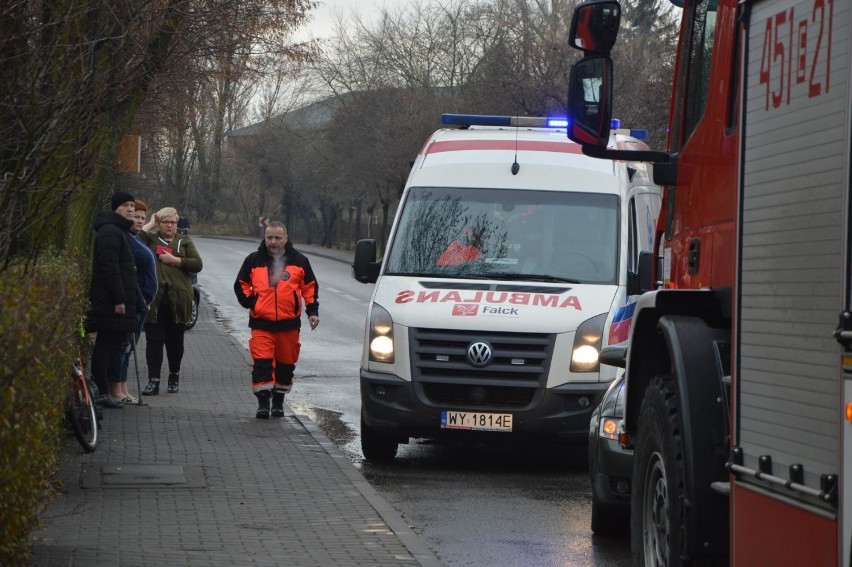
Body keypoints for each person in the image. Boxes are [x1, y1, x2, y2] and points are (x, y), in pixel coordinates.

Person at [234, 221, 319, 419]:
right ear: (265, 238)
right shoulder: (253, 260)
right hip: (261, 324)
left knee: (285, 364)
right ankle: (263, 403)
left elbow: (310, 288)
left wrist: (312, 312)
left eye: (277, 238)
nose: (273, 242)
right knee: (262, 364)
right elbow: (241, 284)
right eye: (269, 238)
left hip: (288, 326)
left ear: (286, 239)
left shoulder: (299, 261)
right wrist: (252, 303)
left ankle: (279, 402)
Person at [85, 191, 144, 409]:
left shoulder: (118, 230)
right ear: (115, 208)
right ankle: (101, 392)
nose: (130, 208)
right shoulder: (111, 232)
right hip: (111, 302)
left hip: (115, 301)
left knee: (109, 346)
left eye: (132, 205)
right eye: (125, 205)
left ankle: (104, 391)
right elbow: (110, 269)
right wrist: (120, 299)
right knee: (105, 346)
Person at [138, 207, 203, 395]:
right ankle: (153, 380)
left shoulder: (185, 242)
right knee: (154, 341)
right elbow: (134, 241)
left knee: (175, 342)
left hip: (179, 300)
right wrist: (149, 223)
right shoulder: (150, 239)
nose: (170, 226)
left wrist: (175, 260)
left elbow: (197, 264)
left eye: (173, 222)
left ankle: (174, 375)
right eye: (165, 222)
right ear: (159, 224)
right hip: (155, 301)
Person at [107, 199, 158, 403]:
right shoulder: (125, 237)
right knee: (124, 346)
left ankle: (124, 387)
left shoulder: (135, 236)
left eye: (142, 218)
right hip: (133, 300)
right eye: (135, 216)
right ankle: (116, 388)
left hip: (141, 302)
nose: (138, 221)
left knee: (129, 346)